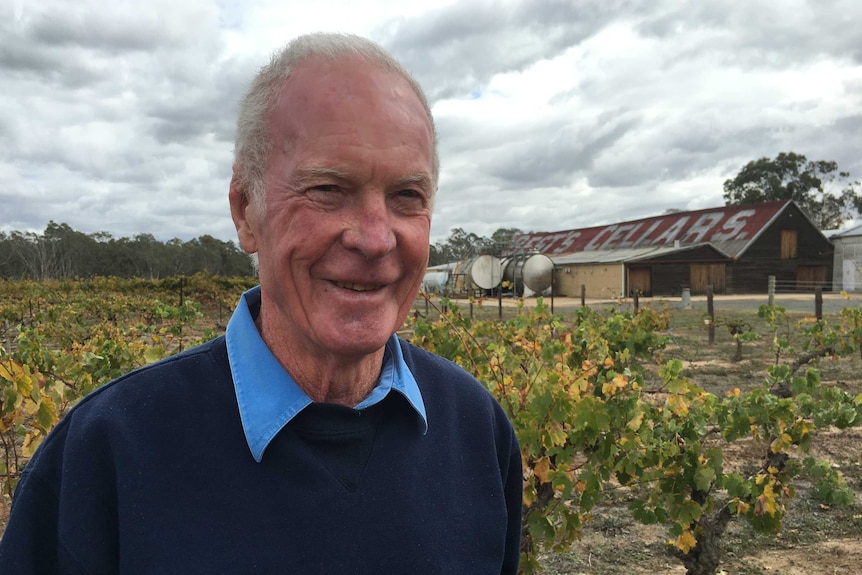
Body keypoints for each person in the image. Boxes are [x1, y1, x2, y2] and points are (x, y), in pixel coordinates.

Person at [0, 32, 522, 574]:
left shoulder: (476, 429)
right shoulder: (104, 454)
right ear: (246, 211)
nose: (375, 238)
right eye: (328, 189)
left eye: (407, 197)